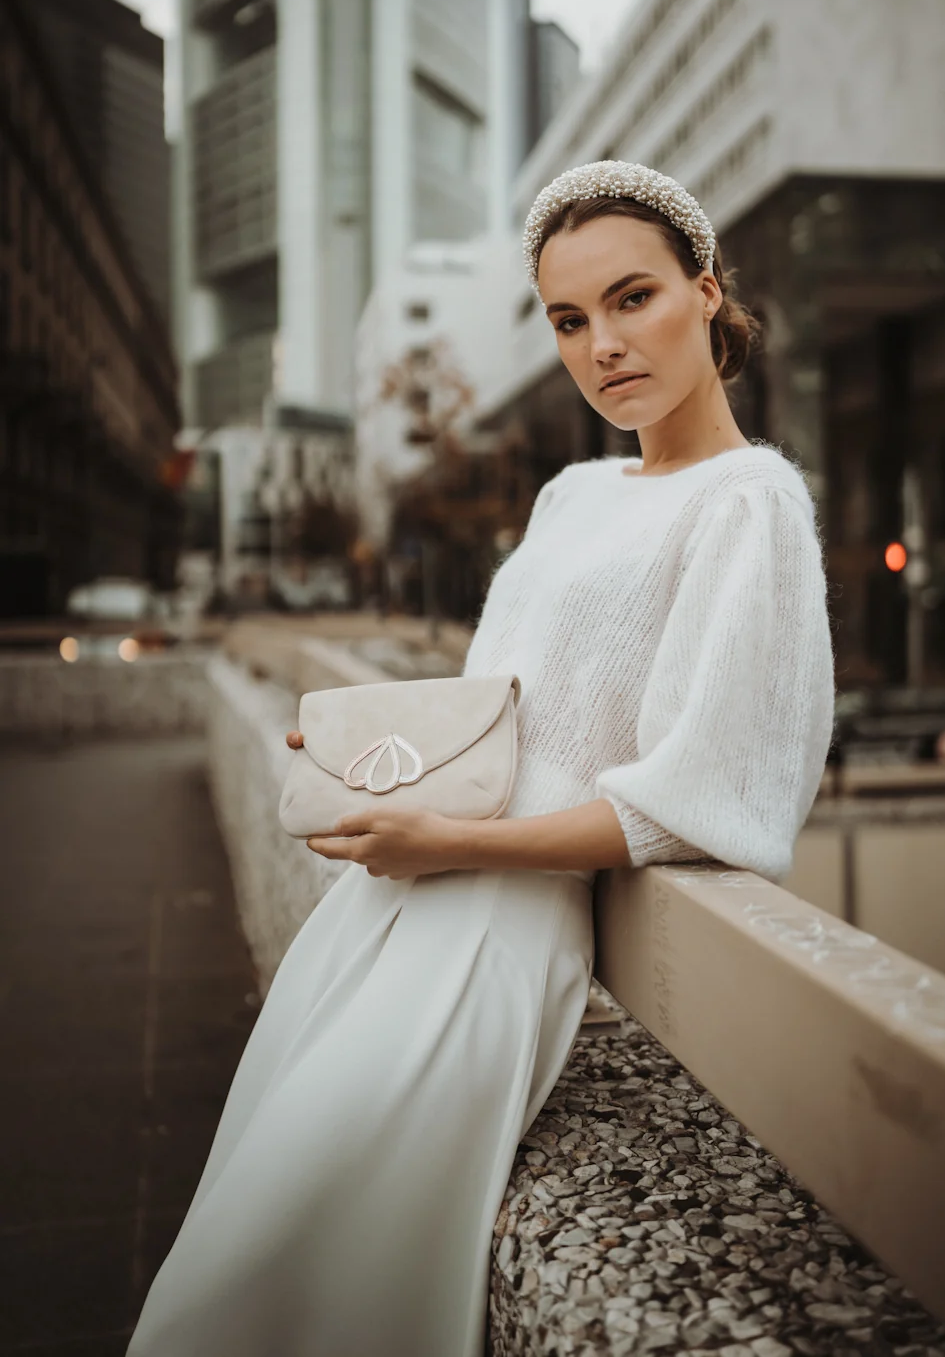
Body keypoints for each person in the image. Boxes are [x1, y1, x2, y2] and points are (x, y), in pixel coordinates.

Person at [126, 162, 834, 1357]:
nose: (602, 345)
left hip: (499, 924)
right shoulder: (571, 492)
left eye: (632, 299)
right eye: (569, 319)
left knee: (309, 1245)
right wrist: (366, 755)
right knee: (243, 1226)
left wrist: (450, 842)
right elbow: (496, 714)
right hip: (395, 896)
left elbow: (697, 803)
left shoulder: (751, 502)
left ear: (707, 293)